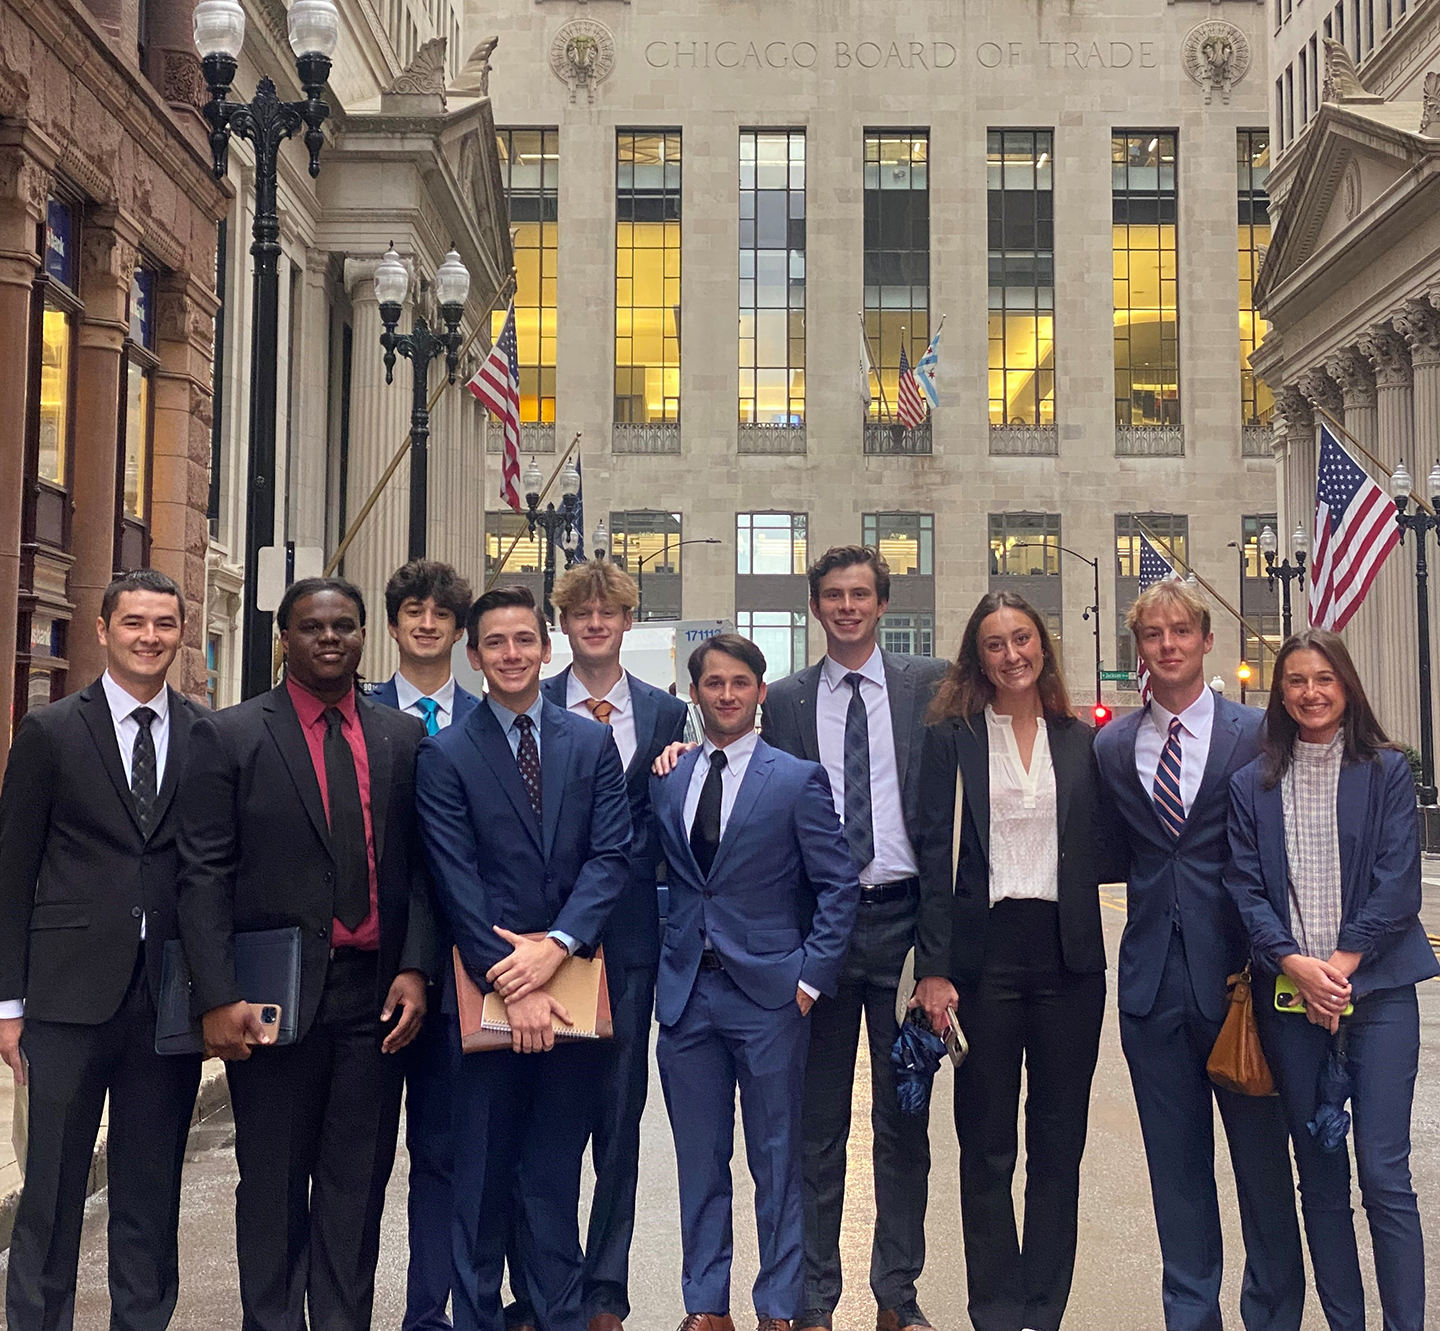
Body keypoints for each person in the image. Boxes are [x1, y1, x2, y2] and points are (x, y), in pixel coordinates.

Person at [177, 576, 435, 1331]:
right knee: (272, 1184)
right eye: (313, 626)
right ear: (284, 637)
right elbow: (202, 874)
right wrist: (216, 996)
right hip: (272, 999)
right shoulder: (229, 735)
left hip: (376, 1000)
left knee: (357, 1187)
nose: (331, 638)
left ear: (364, 638)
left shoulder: (402, 738)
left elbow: (421, 869)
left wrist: (416, 967)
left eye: (345, 626)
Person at [415, 585, 632, 1331]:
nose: (512, 654)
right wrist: (515, 984)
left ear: (547, 648)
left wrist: (557, 948)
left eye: (525, 640)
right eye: (496, 643)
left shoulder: (589, 742)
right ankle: (475, 1318)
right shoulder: (444, 754)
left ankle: (557, 1316)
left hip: (570, 987)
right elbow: (455, 878)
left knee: (550, 1176)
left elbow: (612, 855)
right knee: (478, 1182)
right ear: (474, 656)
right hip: (484, 993)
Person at [1092, 579, 1304, 1331]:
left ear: (1207, 640)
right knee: (1176, 1181)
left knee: (1262, 1176)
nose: (1168, 644)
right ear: (1139, 648)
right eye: (1153, 634)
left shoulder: (1259, 732)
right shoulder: (1112, 746)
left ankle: (1273, 1315)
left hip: (1244, 987)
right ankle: (1192, 1316)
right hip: (1152, 992)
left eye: (1181, 630)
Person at [0, 570, 203, 1331]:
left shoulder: (202, 731)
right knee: (50, 1191)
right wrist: (7, 1004)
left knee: (150, 1196)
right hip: (65, 1000)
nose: (149, 636)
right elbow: (13, 870)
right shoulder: (50, 732)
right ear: (103, 628)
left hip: (167, 1004)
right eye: (134, 622)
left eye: (163, 623)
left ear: (182, 632)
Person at [1226, 629, 1437, 1331]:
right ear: (1279, 693)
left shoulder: (1385, 770)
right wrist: (1294, 964)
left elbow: (1396, 884)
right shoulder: (1251, 783)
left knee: (1383, 1175)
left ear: (1345, 684)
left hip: (1375, 1000)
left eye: (1323, 678)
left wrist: (1338, 968)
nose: (1310, 692)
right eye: (1296, 681)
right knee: (1319, 1177)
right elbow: (1247, 889)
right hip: (1290, 1004)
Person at [758, 545, 946, 1331]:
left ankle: (896, 1295)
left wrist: (939, 957)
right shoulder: (786, 701)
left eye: (860, 593)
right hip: (823, 930)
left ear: (881, 602)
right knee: (817, 1126)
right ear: (815, 604)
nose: (846, 606)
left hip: (908, 929)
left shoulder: (930, 687)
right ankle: (813, 1298)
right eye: (832, 594)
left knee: (904, 1123)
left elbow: (952, 819)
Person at [909, 592, 1106, 1331]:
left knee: (1059, 1145)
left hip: (1069, 959)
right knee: (986, 1145)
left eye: (1022, 638)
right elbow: (935, 854)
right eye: (994, 643)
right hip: (981, 960)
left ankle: (1043, 1307)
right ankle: (995, 1306)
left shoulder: (1079, 739)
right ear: (976, 656)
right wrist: (932, 966)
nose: (1011, 653)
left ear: (1042, 647)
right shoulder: (951, 738)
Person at [651, 634, 860, 1331]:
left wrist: (810, 979)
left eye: (741, 682)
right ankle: (706, 1304)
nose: (728, 694)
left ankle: (778, 1307)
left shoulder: (796, 779)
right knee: (700, 1164)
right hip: (687, 998)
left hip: (771, 996)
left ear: (761, 692)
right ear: (695, 693)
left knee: (777, 1161)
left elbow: (838, 886)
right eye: (714, 683)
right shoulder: (669, 778)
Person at [496, 560, 684, 1331]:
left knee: (618, 1122)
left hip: (629, 944)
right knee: (538, 1124)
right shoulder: (527, 704)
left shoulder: (668, 715)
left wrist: (683, 767)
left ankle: (604, 1291)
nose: (596, 622)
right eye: (582, 613)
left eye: (609, 611)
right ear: (562, 628)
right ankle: (545, 1288)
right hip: (548, 946)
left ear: (628, 622)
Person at [369, 559, 480, 1331]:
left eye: (443, 612)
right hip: (370, 970)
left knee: (444, 1153)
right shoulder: (355, 707)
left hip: (465, 968)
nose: (428, 622)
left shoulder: (487, 718)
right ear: (396, 621)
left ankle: (428, 1312)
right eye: (414, 609)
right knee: (359, 1162)